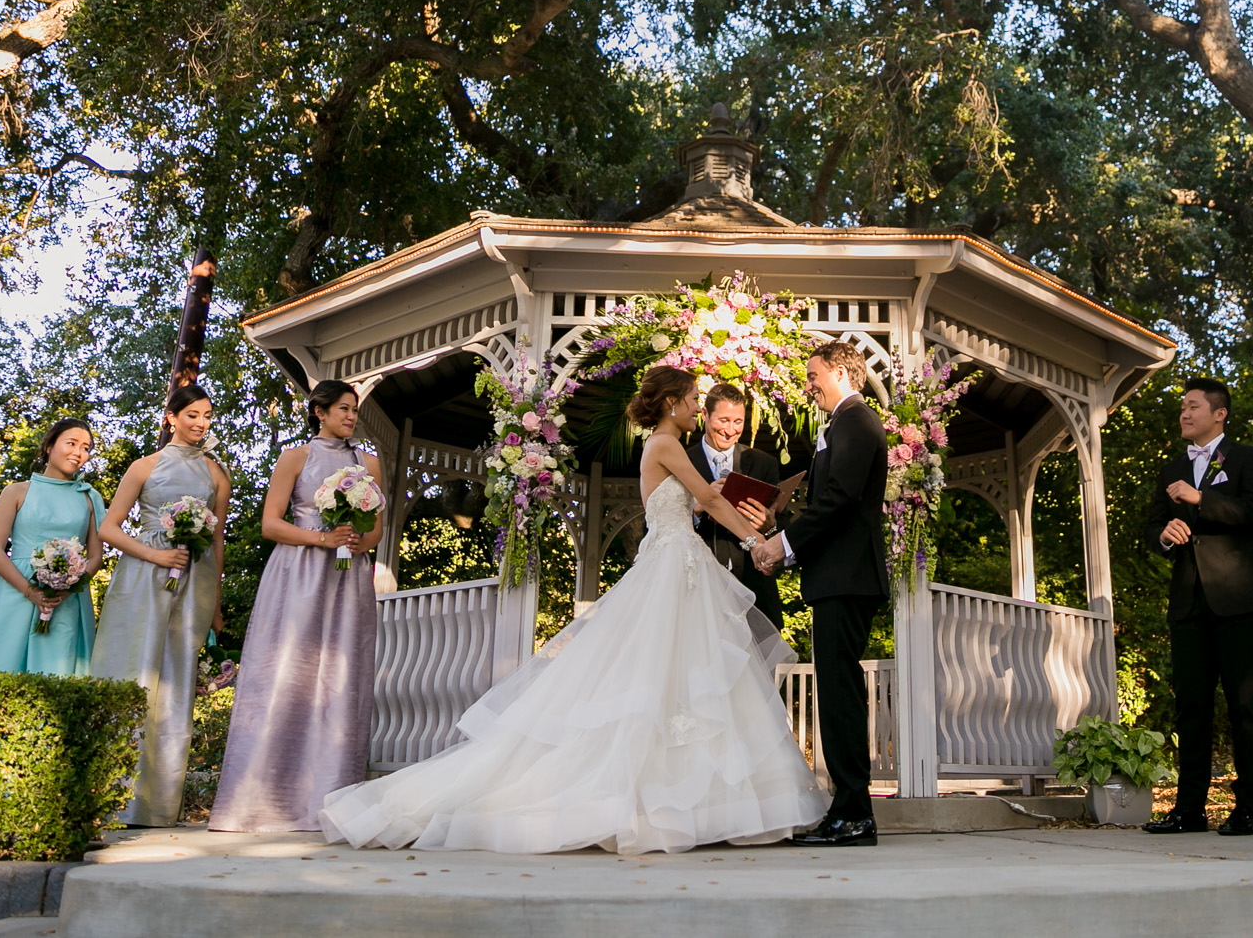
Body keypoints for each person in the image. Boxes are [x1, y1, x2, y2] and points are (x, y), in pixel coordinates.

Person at [319, 364, 825, 853]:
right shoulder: (667, 442)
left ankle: (695, 802)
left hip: (680, 563)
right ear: (672, 403)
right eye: (694, 401)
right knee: (670, 680)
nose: (698, 408)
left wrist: (724, 512)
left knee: (684, 680)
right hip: (673, 565)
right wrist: (761, 539)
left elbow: (696, 503)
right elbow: (711, 505)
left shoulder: (666, 445)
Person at [209, 379, 384, 832]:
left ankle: (328, 798)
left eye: (354, 409)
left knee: (340, 677)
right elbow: (270, 524)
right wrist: (322, 538)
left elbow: (378, 532)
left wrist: (356, 539)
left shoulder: (370, 465)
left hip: (347, 579)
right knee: (288, 672)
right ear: (319, 411)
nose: (350, 416)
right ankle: (262, 801)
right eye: (342, 408)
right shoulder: (295, 458)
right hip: (299, 573)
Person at [750, 341, 890, 848]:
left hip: (848, 579)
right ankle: (848, 809)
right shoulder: (843, 424)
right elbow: (831, 506)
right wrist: (784, 542)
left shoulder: (855, 420)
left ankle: (854, 813)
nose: (808, 384)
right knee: (837, 692)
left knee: (840, 695)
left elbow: (838, 500)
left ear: (838, 370)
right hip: (840, 577)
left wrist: (781, 544)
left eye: (813, 374)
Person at [1140, 377, 1253, 838]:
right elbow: (1153, 524)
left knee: (1243, 704)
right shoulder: (1171, 467)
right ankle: (1189, 810)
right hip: (1189, 601)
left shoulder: (1247, 457)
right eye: (1182, 408)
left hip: (1238, 599)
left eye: (1192, 407)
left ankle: (1250, 809)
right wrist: (1164, 536)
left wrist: (1202, 499)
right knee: (1191, 707)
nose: (1184, 414)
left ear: (1219, 413)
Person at [92, 384, 231, 826]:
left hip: (196, 580)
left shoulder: (216, 473)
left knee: (175, 679)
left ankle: (157, 806)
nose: (201, 423)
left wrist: (216, 602)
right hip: (142, 576)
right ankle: (109, 798)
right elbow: (109, 529)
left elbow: (218, 539)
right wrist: (156, 555)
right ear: (171, 417)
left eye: (207, 415)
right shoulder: (144, 466)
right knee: (132, 670)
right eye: (192, 414)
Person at [0, 418, 106, 676]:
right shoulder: (16, 492)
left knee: (57, 676)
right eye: (71, 443)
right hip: (15, 591)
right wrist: (30, 591)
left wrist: (69, 590)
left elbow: (96, 557)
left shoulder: (89, 497)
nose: (78, 453)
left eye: (86, 448)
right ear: (49, 446)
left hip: (67, 600)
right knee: (1, 669)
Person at [688, 382, 790, 628]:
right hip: (697, 594)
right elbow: (656, 525)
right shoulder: (681, 460)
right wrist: (695, 509)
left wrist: (770, 525)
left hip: (753, 595)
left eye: (738, 422)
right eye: (723, 420)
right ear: (704, 414)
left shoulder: (763, 463)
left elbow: (783, 525)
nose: (730, 430)